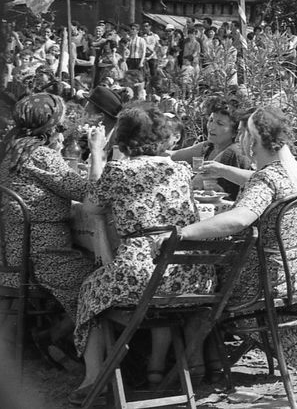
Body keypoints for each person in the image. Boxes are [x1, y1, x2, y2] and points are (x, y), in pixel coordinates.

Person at [70, 104, 216, 406]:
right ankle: (155, 367)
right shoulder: (180, 169)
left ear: (122, 139)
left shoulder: (120, 170)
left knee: (88, 289)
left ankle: (94, 376)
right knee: (148, 287)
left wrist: (97, 153)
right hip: (192, 278)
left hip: (142, 276)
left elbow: (91, 206)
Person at [178, 105, 297, 369]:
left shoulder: (267, 178)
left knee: (193, 280)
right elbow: (261, 183)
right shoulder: (296, 174)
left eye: (242, 135)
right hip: (290, 280)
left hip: (257, 286)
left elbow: (239, 219)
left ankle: (193, 364)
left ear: (252, 139)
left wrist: (183, 232)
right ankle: (213, 360)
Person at [0, 94, 102, 355]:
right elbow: (90, 193)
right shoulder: (41, 155)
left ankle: (50, 336)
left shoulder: (14, 150)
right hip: (43, 260)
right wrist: (97, 152)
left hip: (14, 256)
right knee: (103, 277)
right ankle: (62, 339)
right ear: (51, 124)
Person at [170, 100, 251, 200]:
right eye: (211, 120)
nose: (211, 127)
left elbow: (197, 181)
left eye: (220, 124)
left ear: (235, 132)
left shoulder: (233, 152)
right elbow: (173, 156)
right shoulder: (208, 147)